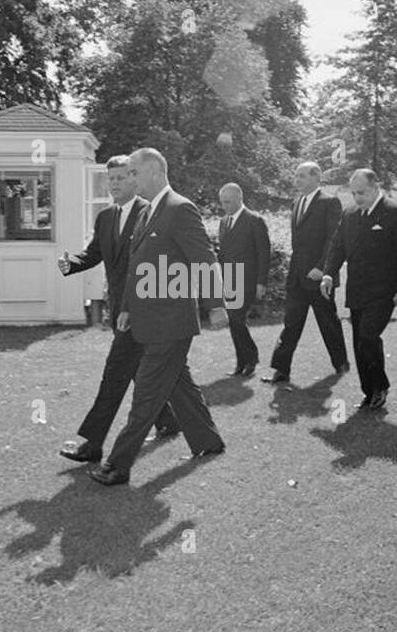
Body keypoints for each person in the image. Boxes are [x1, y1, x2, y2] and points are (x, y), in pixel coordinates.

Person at [90, 148, 224, 485]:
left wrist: (216, 305)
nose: (129, 178)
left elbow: (204, 259)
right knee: (179, 386)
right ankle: (208, 442)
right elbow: (139, 269)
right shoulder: (147, 211)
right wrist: (127, 309)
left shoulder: (180, 208)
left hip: (170, 323)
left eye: (133, 172)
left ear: (153, 171)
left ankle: (118, 465)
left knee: (146, 394)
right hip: (147, 318)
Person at [58, 155, 178, 462]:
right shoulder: (106, 217)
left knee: (114, 376)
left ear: (135, 179)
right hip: (119, 309)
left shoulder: (151, 212)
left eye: (121, 178)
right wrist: (72, 263)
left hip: (143, 309)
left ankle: (93, 444)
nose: (114, 184)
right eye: (110, 179)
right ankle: (168, 420)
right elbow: (95, 253)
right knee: (140, 370)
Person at [320, 169, 397, 413]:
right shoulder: (350, 212)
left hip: (384, 291)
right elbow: (337, 246)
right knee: (359, 342)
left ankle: (380, 387)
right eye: (353, 193)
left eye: (361, 192)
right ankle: (369, 391)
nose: (357, 197)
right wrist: (329, 272)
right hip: (357, 289)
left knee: (368, 336)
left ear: (376, 187)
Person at [263, 162, 348, 383]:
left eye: (302, 176)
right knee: (291, 323)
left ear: (316, 177)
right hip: (297, 277)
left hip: (319, 278)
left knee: (328, 322)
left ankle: (341, 364)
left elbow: (334, 239)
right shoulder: (297, 202)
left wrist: (322, 268)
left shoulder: (329, 202)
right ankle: (281, 370)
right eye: (296, 176)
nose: (297, 180)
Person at [216, 183, 271, 377]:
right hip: (229, 279)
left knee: (237, 319)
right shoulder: (224, 222)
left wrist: (261, 282)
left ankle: (251, 359)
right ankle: (241, 363)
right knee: (234, 322)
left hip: (247, 280)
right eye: (222, 202)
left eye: (228, 202)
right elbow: (223, 254)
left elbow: (264, 253)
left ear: (240, 198)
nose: (225, 206)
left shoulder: (254, 220)